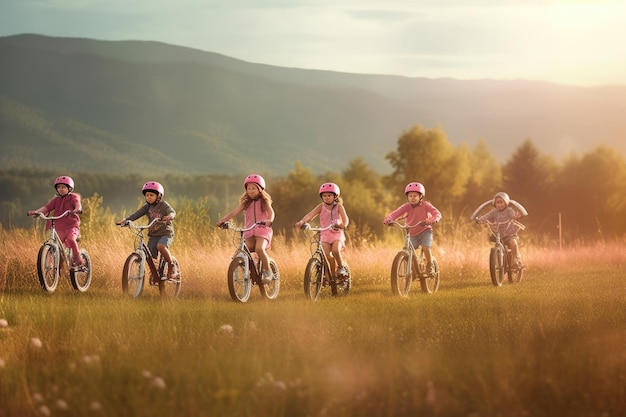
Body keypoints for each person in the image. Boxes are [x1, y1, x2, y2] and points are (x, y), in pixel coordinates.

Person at [216, 174, 275, 284]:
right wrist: (222, 220)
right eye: (249, 189)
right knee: (240, 253)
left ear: (260, 189)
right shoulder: (246, 203)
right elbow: (234, 212)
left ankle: (267, 271)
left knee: (259, 249)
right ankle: (248, 270)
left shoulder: (264, 201)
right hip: (249, 232)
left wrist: (269, 220)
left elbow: (271, 212)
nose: (251, 191)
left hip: (262, 231)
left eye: (253, 188)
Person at [117, 181, 177, 280]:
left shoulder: (163, 205)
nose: (149, 197)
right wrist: (126, 220)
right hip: (153, 235)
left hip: (165, 233)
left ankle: (171, 266)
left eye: (152, 195)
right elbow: (136, 214)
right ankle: (155, 273)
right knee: (150, 255)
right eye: (147, 195)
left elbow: (172, 212)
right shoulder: (147, 207)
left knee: (161, 246)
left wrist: (170, 216)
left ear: (159, 196)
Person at [383, 182, 442, 276]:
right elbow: (396, 213)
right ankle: (412, 271)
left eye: (415, 196)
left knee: (425, 247)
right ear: (407, 197)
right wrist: (389, 219)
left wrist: (431, 220)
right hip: (412, 233)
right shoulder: (406, 207)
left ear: (421, 197)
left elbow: (437, 213)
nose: (412, 198)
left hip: (425, 231)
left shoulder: (426, 205)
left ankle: (429, 265)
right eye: (410, 196)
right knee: (408, 251)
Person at [294, 182, 350, 278]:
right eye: (324, 196)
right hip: (325, 234)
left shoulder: (339, 207)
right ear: (321, 197)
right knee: (326, 255)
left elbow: (345, 219)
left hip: (337, 234)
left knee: (335, 250)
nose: (327, 197)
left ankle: (341, 267)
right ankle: (330, 275)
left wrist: (342, 225)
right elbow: (310, 215)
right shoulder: (321, 206)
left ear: (335, 196)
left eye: (329, 195)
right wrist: (302, 222)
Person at [27, 175, 85, 267]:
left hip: (71, 226)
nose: (61, 189)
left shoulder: (73, 197)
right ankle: (56, 263)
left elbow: (77, 204)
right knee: (57, 246)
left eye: (63, 187)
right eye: (59, 187)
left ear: (69, 188)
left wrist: (77, 209)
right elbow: (46, 207)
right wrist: (36, 212)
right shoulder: (56, 200)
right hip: (59, 227)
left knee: (70, 239)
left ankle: (78, 257)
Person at [476, 191, 526, 269]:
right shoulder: (494, 212)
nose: (499, 205)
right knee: (497, 245)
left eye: (501, 202)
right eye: (497, 203)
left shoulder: (509, 210)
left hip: (509, 234)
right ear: (494, 204)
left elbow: (513, 216)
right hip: (498, 235)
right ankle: (498, 260)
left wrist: (516, 217)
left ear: (506, 202)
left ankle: (515, 261)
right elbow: (486, 217)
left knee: (513, 243)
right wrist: (479, 220)